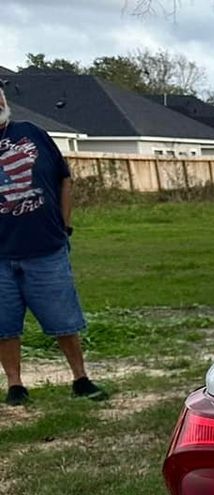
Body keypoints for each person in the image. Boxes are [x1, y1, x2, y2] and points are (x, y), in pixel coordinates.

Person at [0, 86, 105, 406]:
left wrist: (65, 225)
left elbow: (64, 178)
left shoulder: (31, 133)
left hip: (46, 248)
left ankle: (80, 378)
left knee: (63, 318)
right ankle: (15, 384)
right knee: (4, 325)